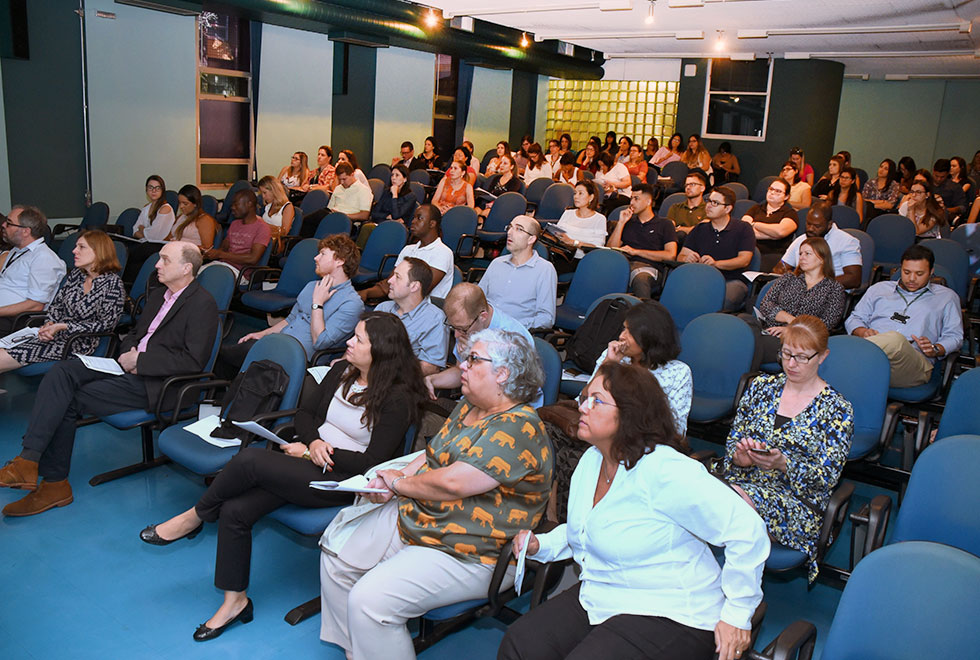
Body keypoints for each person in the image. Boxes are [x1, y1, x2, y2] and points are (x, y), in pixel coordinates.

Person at [141, 311, 425, 642]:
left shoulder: (397, 398)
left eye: (358, 339)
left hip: (341, 482)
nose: (349, 341)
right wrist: (314, 441)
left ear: (382, 352)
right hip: (306, 465)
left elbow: (375, 461)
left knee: (249, 460)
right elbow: (305, 414)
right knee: (235, 512)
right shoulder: (340, 371)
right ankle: (235, 602)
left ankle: (193, 517)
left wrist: (314, 452)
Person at [499, 362, 768, 660]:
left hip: (673, 609)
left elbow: (747, 529)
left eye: (596, 400)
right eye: (585, 397)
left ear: (629, 413)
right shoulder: (591, 462)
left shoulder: (664, 470)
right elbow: (592, 526)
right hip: (604, 594)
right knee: (520, 644)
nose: (583, 407)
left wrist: (737, 614)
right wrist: (543, 544)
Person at [320, 329, 552, 660]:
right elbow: (434, 453)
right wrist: (401, 473)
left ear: (503, 374)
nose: (463, 365)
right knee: (337, 554)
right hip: (427, 518)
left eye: (473, 359)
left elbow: (453, 483)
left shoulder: (519, 426)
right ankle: (357, 652)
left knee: (370, 601)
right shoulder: (470, 406)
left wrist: (397, 486)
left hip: (472, 549)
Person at [0, 242, 218, 516]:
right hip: (127, 365)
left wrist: (140, 361)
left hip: (158, 383)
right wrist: (129, 352)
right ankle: (29, 460)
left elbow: (192, 361)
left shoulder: (202, 304)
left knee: (68, 399)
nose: (157, 265)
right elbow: (137, 333)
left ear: (186, 268)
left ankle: (52, 482)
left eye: (164, 260)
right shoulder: (159, 295)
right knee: (63, 371)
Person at [720, 315, 853, 583]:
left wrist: (784, 464)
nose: (791, 364)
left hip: (794, 500)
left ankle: (726, 589)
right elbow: (733, 442)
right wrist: (740, 457)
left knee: (727, 502)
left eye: (802, 357)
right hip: (744, 480)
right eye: (786, 354)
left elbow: (826, 479)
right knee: (699, 483)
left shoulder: (837, 409)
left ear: (822, 357)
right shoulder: (760, 387)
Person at [217, 234, 363, 373]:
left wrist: (317, 304)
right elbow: (290, 320)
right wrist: (262, 334)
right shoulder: (312, 285)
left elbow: (320, 342)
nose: (316, 258)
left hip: (298, 359)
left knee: (226, 354)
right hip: (278, 343)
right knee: (228, 354)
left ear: (340, 261)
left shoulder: (351, 303)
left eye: (323, 254)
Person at [0, 230, 125, 373]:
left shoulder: (112, 284)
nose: (74, 251)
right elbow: (56, 306)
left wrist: (64, 326)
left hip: (79, 342)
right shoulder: (77, 275)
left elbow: (106, 325)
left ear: (98, 251)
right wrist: (50, 324)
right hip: (56, 335)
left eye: (81, 247)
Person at [845, 244, 963, 388]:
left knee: (895, 340)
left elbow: (955, 336)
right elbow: (854, 318)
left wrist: (936, 349)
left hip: (913, 364)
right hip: (872, 360)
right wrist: (862, 331)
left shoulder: (947, 297)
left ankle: (841, 361)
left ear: (931, 272)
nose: (912, 278)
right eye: (906, 272)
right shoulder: (879, 289)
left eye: (919, 274)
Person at [591, 301, 692, 435]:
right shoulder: (613, 355)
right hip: (600, 433)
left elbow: (676, 430)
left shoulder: (678, 373)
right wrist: (608, 364)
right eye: (623, 329)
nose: (621, 336)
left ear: (650, 337)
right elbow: (584, 400)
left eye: (631, 332)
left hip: (644, 442)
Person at [743, 237, 846, 368]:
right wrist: (791, 319)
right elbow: (766, 304)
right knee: (744, 320)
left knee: (747, 344)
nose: (802, 257)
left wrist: (791, 330)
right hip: (769, 329)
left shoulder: (834, 289)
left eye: (807, 254)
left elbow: (826, 324)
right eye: (800, 253)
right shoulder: (789, 278)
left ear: (822, 258)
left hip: (801, 341)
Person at [423, 284, 534, 402]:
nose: (456, 335)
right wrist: (431, 380)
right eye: (453, 327)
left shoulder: (512, 338)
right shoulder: (468, 326)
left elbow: (508, 394)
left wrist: (472, 357)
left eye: (462, 329)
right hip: (473, 401)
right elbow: (461, 371)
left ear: (483, 317)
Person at [679, 186, 755, 312]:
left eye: (715, 203)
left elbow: (744, 260)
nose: (708, 205)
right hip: (701, 279)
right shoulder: (700, 229)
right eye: (709, 201)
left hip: (731, 280)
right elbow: (680, 256)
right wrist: (686, 258)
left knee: (720, 299)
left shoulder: (743, 228)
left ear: (728, 208)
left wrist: (716, 264)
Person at [359, 204, 454, 301]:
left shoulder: (443, 253)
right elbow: (389, 285)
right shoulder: (408, 249)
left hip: (426, 309)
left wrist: (393, 285)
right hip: (401, 302)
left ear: (432, 224)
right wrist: (365, 293)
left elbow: (420, 291)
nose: (413, 221)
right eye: (413, 218)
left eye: (419, 218)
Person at [479, 215, 557, 329]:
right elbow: (478, 298)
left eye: (519, 229)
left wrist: (513, 326)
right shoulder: (497, 263)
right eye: (510, 227)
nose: (510, 232)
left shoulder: (544, 269)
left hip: (512, 334)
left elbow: (546, 318)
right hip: (484, 327)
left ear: (531, 239)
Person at [375, 258, 448, 375]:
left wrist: (390, 372)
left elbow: (430, 366)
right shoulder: (382, 308)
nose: (390, 280)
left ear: (414, 286)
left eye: (397, 277)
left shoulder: (434, 319)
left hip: (398, 381)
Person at [0, 205, 65, 335]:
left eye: (9, 223)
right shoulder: (17, 251)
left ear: (25, 231)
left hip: (16, 321)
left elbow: (35, 305)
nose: (3, 225)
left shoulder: (43, 258)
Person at [607, 183, 678, 299]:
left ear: (649, 201)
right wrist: (621, 223)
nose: (632, 203)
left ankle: (644, 315)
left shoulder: (665, 224)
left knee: (640, 278)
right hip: (624, 265)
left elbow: (670, 255)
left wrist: (636, 252)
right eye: (631, 198)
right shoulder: (628, 223)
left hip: (649, 268)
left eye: (636, 199)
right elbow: (611, 249)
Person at [773, 200, 863, 290]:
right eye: (808, 224)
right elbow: (780, 267)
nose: (810, 229)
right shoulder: (801, 240)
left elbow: (854, 279)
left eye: (817, 226)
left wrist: (817, 284)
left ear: (829, 224)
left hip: (830, 293)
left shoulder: (847, 242)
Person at [202, 190, 271, 278]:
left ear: (249, 204)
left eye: (236, 204)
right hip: (222, 265)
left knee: (208, 279)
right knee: (193, 275)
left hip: (240, 273)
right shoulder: (235, 224)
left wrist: (221, 254)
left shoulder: (262, 228)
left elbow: (253, 259)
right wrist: (208, 253)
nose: (232, 208)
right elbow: (223, 249)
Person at [741, 177, 798, 271]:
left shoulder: (790, 213)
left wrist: (754, 224)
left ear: (786, 196)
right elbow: (744, 229)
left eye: (778, 191)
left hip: (774, 255)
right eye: (771, 189)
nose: (772, 193)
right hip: (750, 251)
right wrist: (772, 234)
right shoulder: (756, 208)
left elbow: (780, 232)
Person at [553, 180, 607, 262]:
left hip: (585, 260)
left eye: (580, 193)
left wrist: (573, 242)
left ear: (591, 197)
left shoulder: (599, 219)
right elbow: (558, 235)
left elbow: (597, 248)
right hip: (562, 255)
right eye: (575, 193)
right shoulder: (568, 213)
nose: (576, 197)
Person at [169, 184, 218, 251]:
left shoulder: (204, 220)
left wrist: (181, 246)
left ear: (195, 204)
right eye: (179, 203)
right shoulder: (181, 216)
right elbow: (169, 237)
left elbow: (206, 248)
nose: (181, 206)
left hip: (189, 255)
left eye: (185, 203)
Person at [133, 174, 176, 242]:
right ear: (146, 189)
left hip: (159, 247)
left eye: (157, 188)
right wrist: (146, 234)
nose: (154, 191)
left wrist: (142, 229)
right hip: (144, 243)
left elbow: (154, 236)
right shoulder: (146, 208)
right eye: (150, 187)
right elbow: (135, 229)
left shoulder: (165, 209)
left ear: (162, 190)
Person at [479, 154, 521, 220]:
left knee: (485, 213)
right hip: (490, 202)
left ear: (511, 166)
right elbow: (489, 192)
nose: (501, 165)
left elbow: (509, 197)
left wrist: (496, 192)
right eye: (501, 163)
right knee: (474, 211)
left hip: (503, 206)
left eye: (505, 163)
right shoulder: (496, 178)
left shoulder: (515, 181)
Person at [256, 175, 295, 247]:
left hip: (275, 243)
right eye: (262, 193)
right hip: (263, 240)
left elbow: (284, 232)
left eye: (265, 193)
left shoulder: (288, 207)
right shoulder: (268, 206)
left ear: (274, 191)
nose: (263, 196)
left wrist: (263, 224)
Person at [666, 171, 707, 235]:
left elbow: (702, 231)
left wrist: (679, 228)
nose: (688, 187)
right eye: (686, 185)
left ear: (702, 188)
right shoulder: (675, 208)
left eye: (692, 184)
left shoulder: (708, 209)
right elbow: (669, 229)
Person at [595, 151, 632, 216]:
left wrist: (612, 184)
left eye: (603, 165)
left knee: (607, 204)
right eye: (600, 165)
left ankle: (607, 221)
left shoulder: (619, 167)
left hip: (621, 194)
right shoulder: (599, 171)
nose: (602, 168)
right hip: (604, 193)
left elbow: (627, 183)